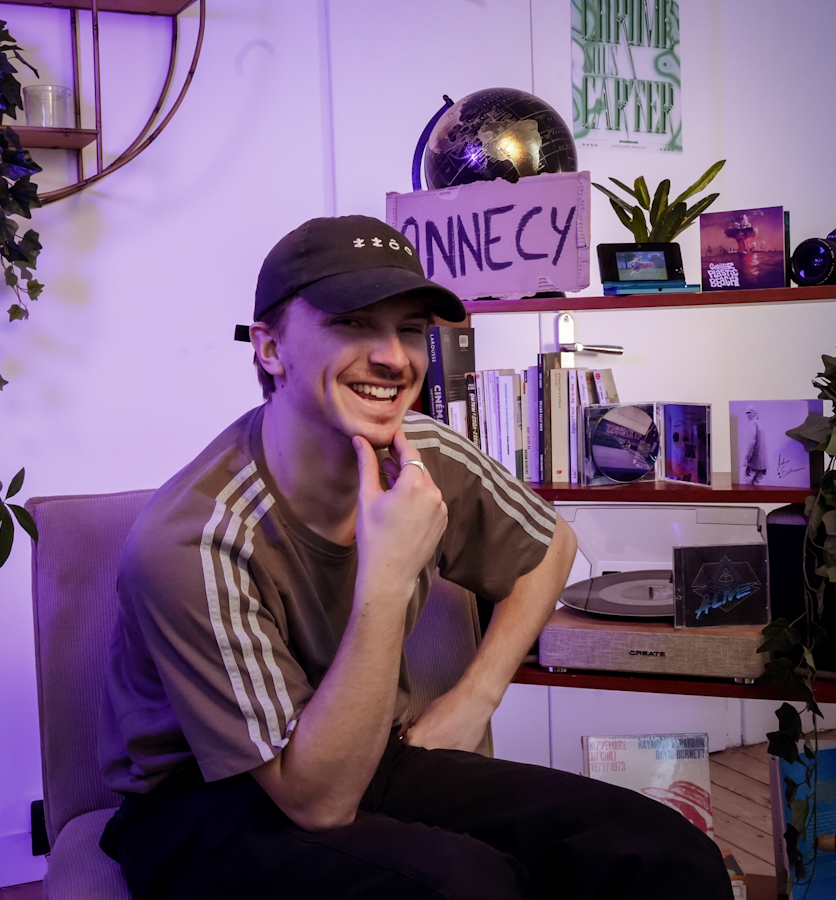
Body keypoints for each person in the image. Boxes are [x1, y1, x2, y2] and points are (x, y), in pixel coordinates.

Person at [98, 215, 732, 900]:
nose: (394, 359)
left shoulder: (422, 450)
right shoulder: (196, 538)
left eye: (408, 329)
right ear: (270, 348)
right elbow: (315, 801)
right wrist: (389, 573)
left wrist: (475, 697)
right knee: (471, 887)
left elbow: (549, 547)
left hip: (367, 752)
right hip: (207, 804)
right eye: (351, 323)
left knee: (661, 852)